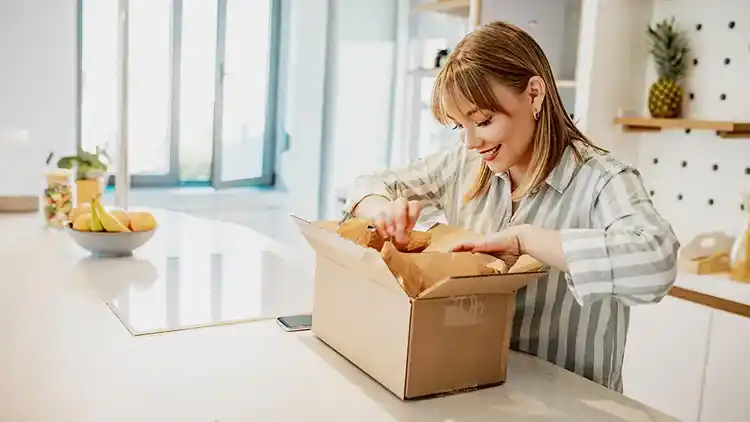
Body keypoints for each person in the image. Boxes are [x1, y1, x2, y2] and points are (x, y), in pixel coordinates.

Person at [338, 21, 680, 392]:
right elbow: (368, 186)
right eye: (460, 127)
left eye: (483, 121)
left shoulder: (602, 180)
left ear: (534, 95)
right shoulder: (466, 164)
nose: (470, 142)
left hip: (570, 408)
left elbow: (656, 263)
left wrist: (528, 240)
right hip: (475, 392)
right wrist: (382, 211)